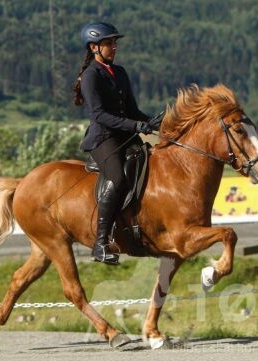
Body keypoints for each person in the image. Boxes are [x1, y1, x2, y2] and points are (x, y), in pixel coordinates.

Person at [73, 22, 162, 265]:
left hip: (125, 134)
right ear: (94, 47)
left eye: (115, 42)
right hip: (104, 137)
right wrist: (135, 126)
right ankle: (100, 243)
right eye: (109, 43)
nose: (115, 47)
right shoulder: (90, 75)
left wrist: (152, 122)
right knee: (119, 179)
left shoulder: (120, 72)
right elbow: (99, 115)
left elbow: (131, 110)